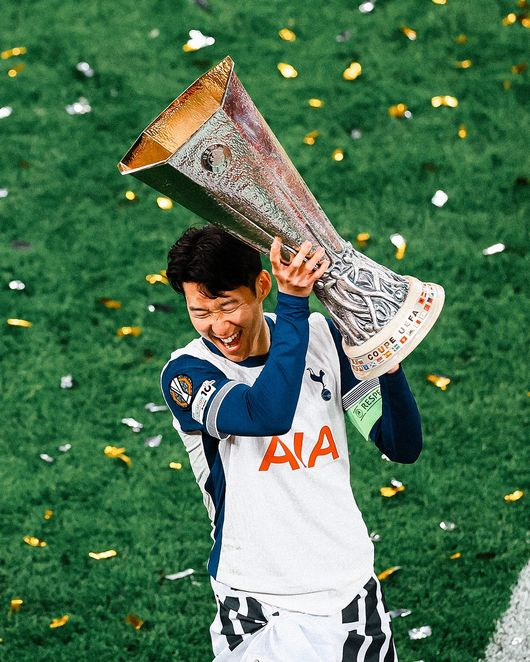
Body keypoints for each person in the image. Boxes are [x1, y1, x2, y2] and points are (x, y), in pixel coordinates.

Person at [160, 225, 423, 661]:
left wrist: (388, 364)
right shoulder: (187, 374)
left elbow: (400, 444)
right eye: (200, 312)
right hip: (259, 597)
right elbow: (266, 414)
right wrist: (295, 304)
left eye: (228, 305)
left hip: (350, 588)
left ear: (262, 286)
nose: (219, 326)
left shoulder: (325, 339)